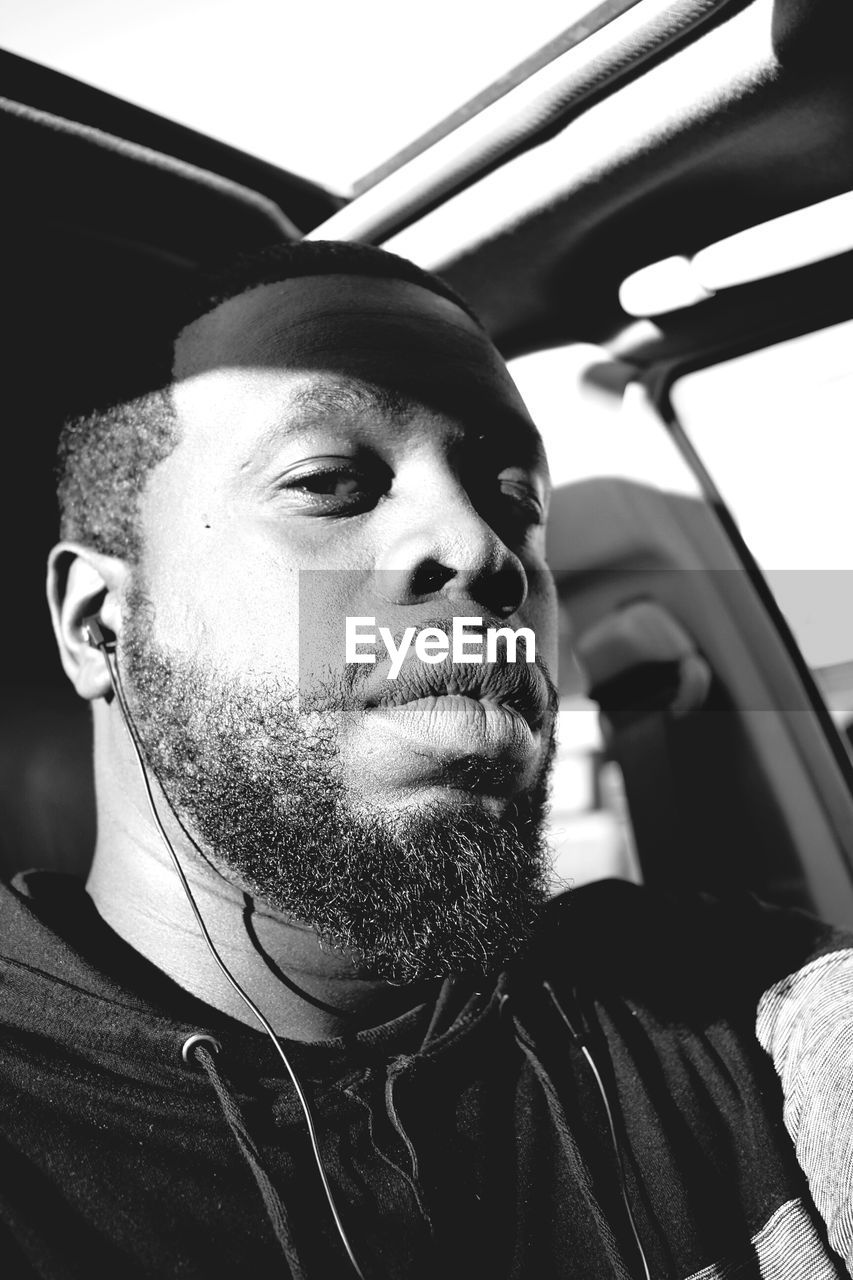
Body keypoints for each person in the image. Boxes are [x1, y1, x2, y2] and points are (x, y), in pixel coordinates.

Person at [1, 239, 851, 1280]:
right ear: (100, 625)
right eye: (329, 481)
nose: (483, 548)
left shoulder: (740, 1006)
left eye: (515, 499)